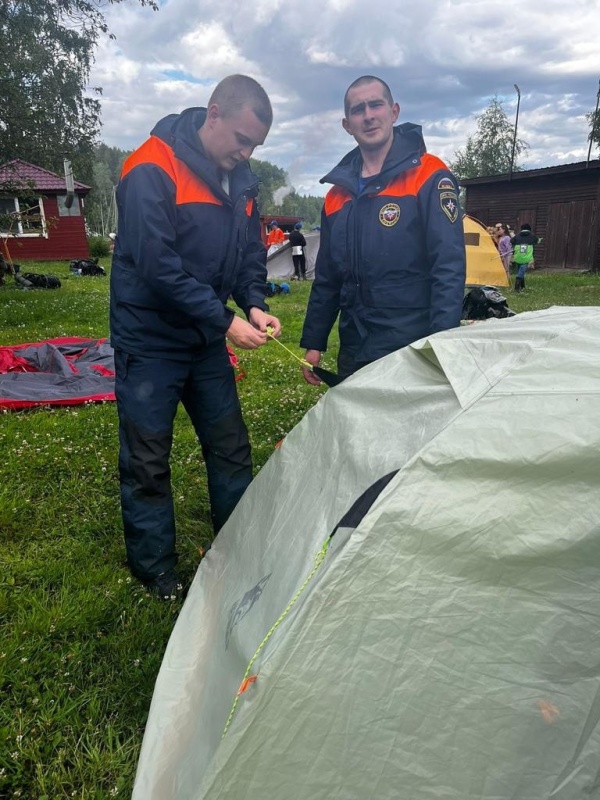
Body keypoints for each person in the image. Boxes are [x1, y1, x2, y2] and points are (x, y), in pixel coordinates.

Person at [110, 74, 281, 599]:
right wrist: (225, 321)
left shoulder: (243, 179)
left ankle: (238, 544)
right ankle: (155, 568)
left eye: (255, 144)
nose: (246, 152)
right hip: (150, 339)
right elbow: (158, 266)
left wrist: (252, 302)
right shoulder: (150, 165)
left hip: (204, 338)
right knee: (147, 459)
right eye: (241, 139)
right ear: (213, 114)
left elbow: (251, 255)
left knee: (230, 446)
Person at [300, 75, 466, 383]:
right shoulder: (336, 195)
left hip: (411, 343)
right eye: (358, 109)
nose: (368, 115)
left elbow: (448, 266)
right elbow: (327, 278)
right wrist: (314, 341)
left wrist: (442, 343)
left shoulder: (430, 176)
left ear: (394, 111)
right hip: (355, 343)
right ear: (347, 124)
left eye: (376, 105)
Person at [510, 222, 541, 293]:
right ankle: (517, 288)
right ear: (529, 229)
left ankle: (522, 286)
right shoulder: (532, 236)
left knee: (520, 271)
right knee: (521, 272)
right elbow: (538, 241)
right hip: (526, 258)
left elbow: (512, 241)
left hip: (517, 257)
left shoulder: (517, 236)